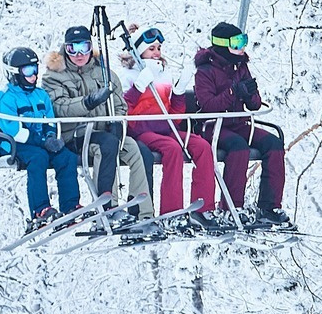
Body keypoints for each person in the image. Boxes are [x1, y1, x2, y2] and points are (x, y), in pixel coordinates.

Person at [44, 23, 151, 222]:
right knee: (106, 145)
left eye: (83, 47)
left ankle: (141, 212)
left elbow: (120, 103)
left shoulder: (103, 72)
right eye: (72, 48)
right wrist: (87, 102)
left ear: (90, 47)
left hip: (104, 131)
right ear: (65, 49)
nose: (78, 54)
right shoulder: (54, 75)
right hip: (74, 135)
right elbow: (59, 107)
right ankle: (108, 208)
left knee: (136, 150)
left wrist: (118, 123)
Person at [189, 22, 288, 225]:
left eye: (244, 40)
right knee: (238, 147)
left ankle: (269, 206)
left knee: (274, 143)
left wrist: (250, 94)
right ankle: (231, 207)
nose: (242, 47)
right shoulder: (205, 71)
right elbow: (209, 106)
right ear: (223, 45)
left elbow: (255, 104)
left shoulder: (241, 67)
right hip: (214, 127)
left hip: (239, 123)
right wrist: (234, 91)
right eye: (237, 42)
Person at [115, 24, 216, 223]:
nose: (156, 53)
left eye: (159, 48)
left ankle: (203, 208)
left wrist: (179, 91)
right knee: (172, 150)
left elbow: (174, 116)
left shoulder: (163, 73)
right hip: (142, 129)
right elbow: (124, 111)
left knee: (203, 147)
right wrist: (138, 87)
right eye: (151, 49)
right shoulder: (126, 76)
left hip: (165, 127)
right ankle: (172, 212)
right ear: (139, 50)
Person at [0, 46, 81, 229]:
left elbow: (50, 119)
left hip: (38, 141)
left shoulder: (40, 95)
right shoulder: (5, 99)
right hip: (10, 143)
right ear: (15, 74)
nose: (34, 75)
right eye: (28, 71)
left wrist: (50, 136)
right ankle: (40, 210)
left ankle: (70, 206)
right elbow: (14, 131)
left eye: (35, 69)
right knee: (38, 158)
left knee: (66, 157)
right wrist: (42, 142)